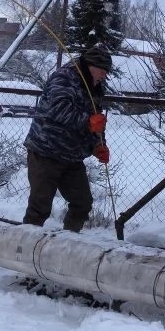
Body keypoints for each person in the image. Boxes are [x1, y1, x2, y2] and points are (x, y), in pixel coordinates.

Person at [22, 43, 112, 232]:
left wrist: (98, 145)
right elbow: (58, 109)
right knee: (39, 208)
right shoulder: (64, 78)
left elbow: (96, 120)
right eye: (103, 71)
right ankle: (24, 244)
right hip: (46, 152)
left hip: (72, 156)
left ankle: (68, 242)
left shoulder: (95, 86)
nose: (104, 76)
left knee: (82, 203)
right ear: (91, 66)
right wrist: (88, 122)